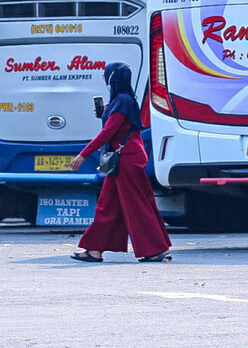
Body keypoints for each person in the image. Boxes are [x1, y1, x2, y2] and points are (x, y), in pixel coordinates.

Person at [69, 61, 172, 263]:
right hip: (125, 160)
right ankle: (94, 249)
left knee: (137, 206)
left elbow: (109, 132)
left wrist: (83, 155)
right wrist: (104, 114)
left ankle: (155, 249)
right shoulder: (123, 101)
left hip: (126, 161)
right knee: (107, 206)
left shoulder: (122, 101)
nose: (105, 81)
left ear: (113, 79)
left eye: (106, 76)